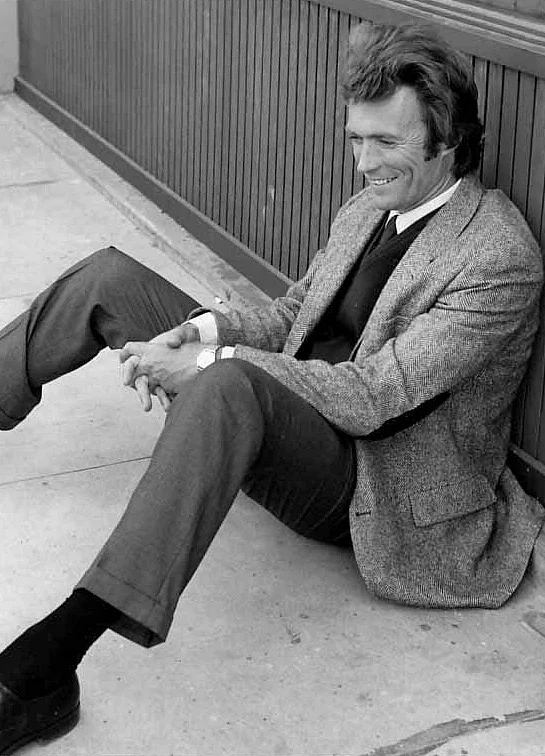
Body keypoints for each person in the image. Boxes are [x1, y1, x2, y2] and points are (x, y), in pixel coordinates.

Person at [0, 20, 543, 754]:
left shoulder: (496, 255)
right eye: (355, 139)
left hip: (371, 482)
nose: (363, 163)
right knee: (109, 277)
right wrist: (206, 331)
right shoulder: (368, 208)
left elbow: (379, 395)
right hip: (290, 404)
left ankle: (45, 671)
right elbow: (292, 313)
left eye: (385, 142)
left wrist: (207, 367)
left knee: (225, 386)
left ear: (448, 142)